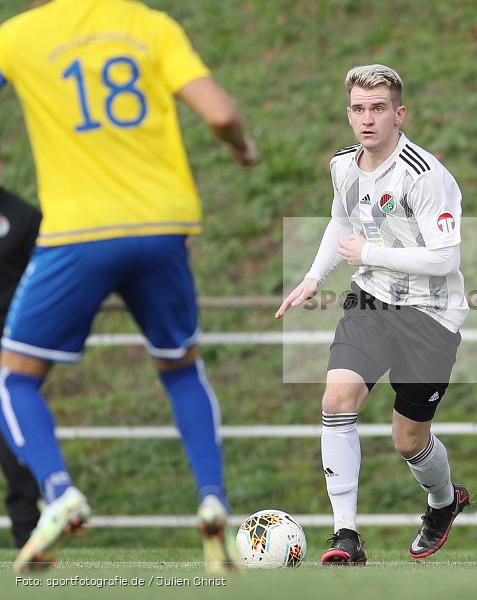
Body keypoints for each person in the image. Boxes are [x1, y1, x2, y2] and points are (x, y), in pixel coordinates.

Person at [0, 0, 258, 571]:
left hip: (79, 232)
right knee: (181, 367)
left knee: (13, 378)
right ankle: (213, 501)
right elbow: (217, 113)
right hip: (162, 228)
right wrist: (241, 147)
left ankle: (60, 491)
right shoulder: (152, 26)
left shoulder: (18, 36)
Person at [276, 64, 469, 565]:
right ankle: (346, 536)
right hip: (371, 300)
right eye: (359, 109)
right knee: (337, 399)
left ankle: (443, 503)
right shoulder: (343, 165)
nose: (368, 119)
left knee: (409, 440)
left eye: (378, 109)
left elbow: (445, 258)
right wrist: (314, 278)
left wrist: (370, 253)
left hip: (430, 315)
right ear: (348, 114)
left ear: (399, 114)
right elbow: (341, 220)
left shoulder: (426, 176)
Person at [0, 155, 42, 549]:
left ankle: (29, 541)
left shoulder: (25, 216)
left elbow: (44, 279)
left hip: (10, 357)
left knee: (17, 450)